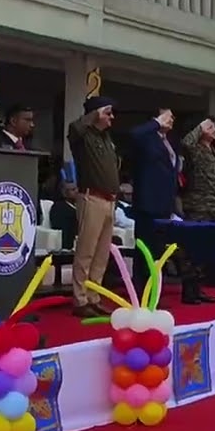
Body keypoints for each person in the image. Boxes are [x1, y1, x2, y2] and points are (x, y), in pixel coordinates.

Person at [67, 96, 121, 317]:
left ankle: (93, 296)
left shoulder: (106, 138)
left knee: (101, 255)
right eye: (108, 113)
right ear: (97, 113)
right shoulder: (82, 136)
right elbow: (75, 127)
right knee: (86, 252)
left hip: (110, 201)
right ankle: (80, 300)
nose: (112, 117)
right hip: (92, 198)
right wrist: (93, 114)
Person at [128, 109, 180, 297]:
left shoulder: (169, 142)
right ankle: (141, 292)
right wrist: (157, 123)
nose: (171, 120)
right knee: (145, 250)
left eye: (172, 117)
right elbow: (133, 134)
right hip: (147, 202)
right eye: (167, 116)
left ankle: (154, 292)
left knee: (158, 251)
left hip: (164, 203)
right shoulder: (146, 137)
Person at [178, 117, 215, 304]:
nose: (214, 129)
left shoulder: (214, 152)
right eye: (210, 126)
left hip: (214, 206)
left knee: (204, 249)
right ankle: (188, 290)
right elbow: (185, 143)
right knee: (192, 248)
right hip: (198, 205)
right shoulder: (195, 149)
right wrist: (199, 127)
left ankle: (198, 288)